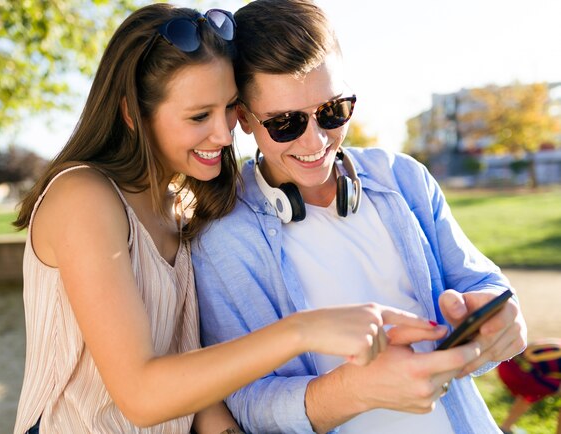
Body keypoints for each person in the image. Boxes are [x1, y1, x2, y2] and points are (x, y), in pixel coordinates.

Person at [11, 4, 438, 434]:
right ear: (132, 115)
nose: (223, 133)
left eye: (230, 107)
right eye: (199, 116)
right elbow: (141, 396)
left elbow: (194, 379)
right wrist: (303, 331)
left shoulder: (182, 206)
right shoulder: (84, 197)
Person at [191, 1, 528, 433]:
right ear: (243, 118)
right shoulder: (223, 239)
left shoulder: (404, 177)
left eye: (333, 110)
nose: (316, 140)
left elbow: (481, 282)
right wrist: (356, 391)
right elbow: (248, 403)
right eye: (286, 124)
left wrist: (499, 315)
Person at [498, 338, 561, 434]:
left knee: (536, 389)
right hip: (518, 371)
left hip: (506, 362)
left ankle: (505, 428)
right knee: (549, 386)